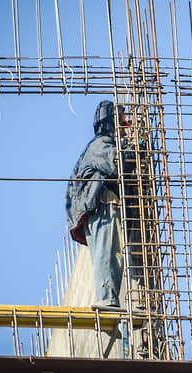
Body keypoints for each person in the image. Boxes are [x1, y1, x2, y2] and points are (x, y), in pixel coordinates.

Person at [65, 100, 129, 311]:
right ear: (111, 121)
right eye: (122, 121)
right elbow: (115, 166)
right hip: (101, 206)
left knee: (114, 257)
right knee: (106, 254)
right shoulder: (101, 144)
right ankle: (105, 300)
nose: (126, 127)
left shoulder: (99, 145)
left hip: (101, 206)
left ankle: (110, 300)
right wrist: (134, 151)